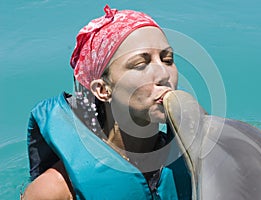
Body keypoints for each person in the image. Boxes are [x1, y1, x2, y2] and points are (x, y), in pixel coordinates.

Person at [21, 5, 192, 200]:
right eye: (140, 64)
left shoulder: (195, 160)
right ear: (103, 90)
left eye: (167, 60)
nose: (163, 74)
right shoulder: (54, 190)